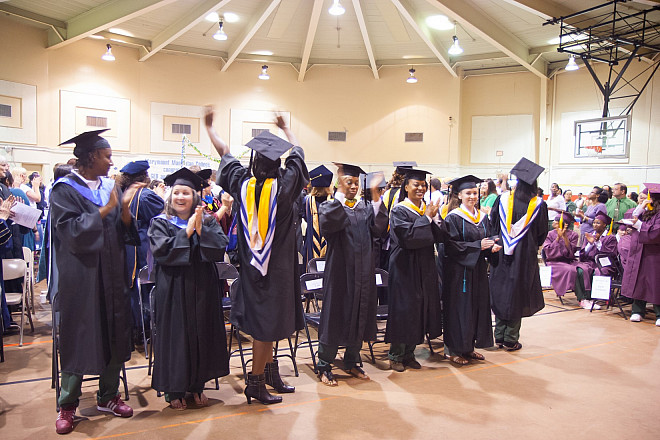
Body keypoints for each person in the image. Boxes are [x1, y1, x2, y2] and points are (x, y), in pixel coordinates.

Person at [206, 107, 308, 405]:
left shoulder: (241, 184)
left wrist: (210, 127)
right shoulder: (286, 187)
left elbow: (224, 152)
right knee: (267, 326)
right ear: (278, 165)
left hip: (252, 270)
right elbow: (299, 152)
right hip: (277, 270)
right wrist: (286, 128)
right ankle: (256, 381)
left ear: (252, 162)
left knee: (269, 324)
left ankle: (271, 373)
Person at [50, 129, 141, 434]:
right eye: (107, 156)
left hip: (112, 276)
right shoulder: (64, 190)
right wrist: (105, 210)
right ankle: (67, 405)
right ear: (90, 157)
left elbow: (123, 231)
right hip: (83, 279)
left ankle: (108, 397)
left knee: (115, 334)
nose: (111, 162)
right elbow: (69, 232)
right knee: (81, 337)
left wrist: (125, 212)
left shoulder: (108, 188)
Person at [148, 167, 230, 409]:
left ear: (195, 196)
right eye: (176, 193)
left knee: (200, 334)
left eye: (186, 192)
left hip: (202, 286)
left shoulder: (206, 221)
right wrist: (187, 231)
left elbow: (219, 248)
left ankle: (196, 386)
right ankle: (173, 391)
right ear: (170, 196)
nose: (180, 197)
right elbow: (162, 252)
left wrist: (201, 229)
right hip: (172, 288)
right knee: (176, 337)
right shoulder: (160, 223)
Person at [315, 164, 388, 385]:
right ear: (339, 183)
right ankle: (324, 364)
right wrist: (339, 196)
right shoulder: (330, 206)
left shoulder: (364, 208)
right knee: (335, 315)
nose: (354, 186)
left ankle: (352, 360)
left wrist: (376, 196)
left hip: (364, 272)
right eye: (349, 182)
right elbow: (329, 227)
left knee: (361, 312)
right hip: (340, 272)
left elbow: (378, 229)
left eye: (357, 182)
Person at [386, 167, 448, 371]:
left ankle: (409, 353)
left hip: (425, 266)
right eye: (416, 185)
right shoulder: (399, 210)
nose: (421, 188)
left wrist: (435, 217)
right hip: (404, 267)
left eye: (423, 185)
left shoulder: (426, 209)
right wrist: (427, 218)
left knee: (420, 309)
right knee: (404, 310)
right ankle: (395, 355)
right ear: (406, 187)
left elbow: (440, 237)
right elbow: (408, 238)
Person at [489, 157, 548, 351]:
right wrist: (529, 244)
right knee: (517, 293)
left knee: (501, 291)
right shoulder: (539, 204)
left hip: (501, 252)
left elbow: (493, 223)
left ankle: (498, 335)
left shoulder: (502, 198)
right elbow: (541, 233)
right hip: (524, 256)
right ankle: (511, 338)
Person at [443, 175, 500, 365]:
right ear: (459, 195)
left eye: (475, 193)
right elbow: (450, 247)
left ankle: (469, 347)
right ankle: (453, 350)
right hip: (459, 273)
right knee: (460, 309)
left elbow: (488, 238)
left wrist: (492, 247)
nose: (472, 196)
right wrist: (478, 246)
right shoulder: (453, 217)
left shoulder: (483, 217)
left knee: (476, 308)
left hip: (478, 271)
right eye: (468, 193)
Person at [118, 160, 165, 347]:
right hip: (142, 249)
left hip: (127, 249)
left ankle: (135, 331)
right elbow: (164, 217)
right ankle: (145, 330)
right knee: (145, 290)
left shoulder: (123, 194)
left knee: (132, 290)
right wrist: (160, 197)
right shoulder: (146, 196)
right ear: (145, 177)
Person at [622, 183, 660, 325]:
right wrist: (640, 208)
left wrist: (639, 225)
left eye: (649, 198)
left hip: (654, 253)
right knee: (639, 280)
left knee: (656, 283)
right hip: (640, 251)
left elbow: (656, 232)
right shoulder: (646, 211)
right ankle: (637, 311)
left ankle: (659, 314)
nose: (646, 200)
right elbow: (633, 218)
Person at [574, 212, 618, 310]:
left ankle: (595, 299)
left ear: (604, 225)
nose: (595, 225)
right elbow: (583, 253)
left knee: (597, 272)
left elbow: (611, 254)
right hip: (590, 262)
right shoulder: (589, 235)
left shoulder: (611, 237)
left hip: (604, 264)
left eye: (598, 223)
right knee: (580, 270)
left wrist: (597, 243)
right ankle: (583, 299)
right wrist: (590, 244)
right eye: (594, 222)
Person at [302, 164, 333, 269]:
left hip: (311, 240)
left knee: (310, 267)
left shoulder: (306, 201)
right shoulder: (334, 202)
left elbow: (304, 217)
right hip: (330, 242)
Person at [542, 211, 579, 299]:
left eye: (556, 221)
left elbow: (571, 251)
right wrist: (558, 237)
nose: (553, 223)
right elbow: (548, 250)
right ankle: (576, 293)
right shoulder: (550, 234)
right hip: (554, 262)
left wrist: (565, 236)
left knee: (583, 269)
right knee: (570, 270)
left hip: (569, 261)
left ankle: (583, 295)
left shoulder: (574, 235)